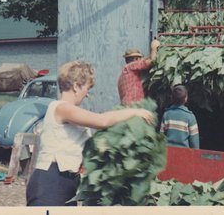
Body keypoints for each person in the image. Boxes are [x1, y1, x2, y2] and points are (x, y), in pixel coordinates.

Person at [26, 60, 155, 206]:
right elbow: (101, 121)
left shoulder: (72, 113)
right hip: (50, 181)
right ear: (76, 86)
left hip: (67, 182)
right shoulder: (61, 108)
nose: (87, 95)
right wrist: (136, 111)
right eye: (87, 88)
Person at [117, 39, 161, 105]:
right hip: (133, 105)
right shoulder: (131, 66)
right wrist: (154, 48)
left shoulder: (123, 74)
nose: (140, 60)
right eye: (139, 58)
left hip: (127, 106)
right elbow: (151, 62)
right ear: (135, 59)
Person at [160, 84, 200, 149]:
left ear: (172, 98)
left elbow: (161, 137)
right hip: (184, 154)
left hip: (167, 153)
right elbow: (194, 141)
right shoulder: (190, 116)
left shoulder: (166, 114)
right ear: (186, 98)